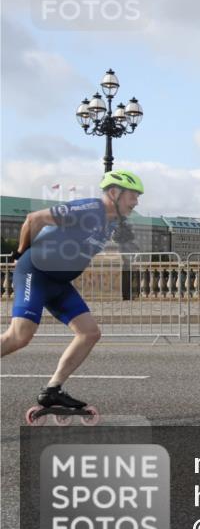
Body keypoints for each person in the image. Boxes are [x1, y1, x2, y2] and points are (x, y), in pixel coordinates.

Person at [1, 170, 144, 414]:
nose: (136, 202)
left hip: (59, 283)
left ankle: (52, 390)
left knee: (89, 333)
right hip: (36, 273)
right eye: (132, 196)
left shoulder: (111, 223)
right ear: (114, 193)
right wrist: (20, 253)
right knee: (19, 336)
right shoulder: (89, 208)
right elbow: (34, 218)